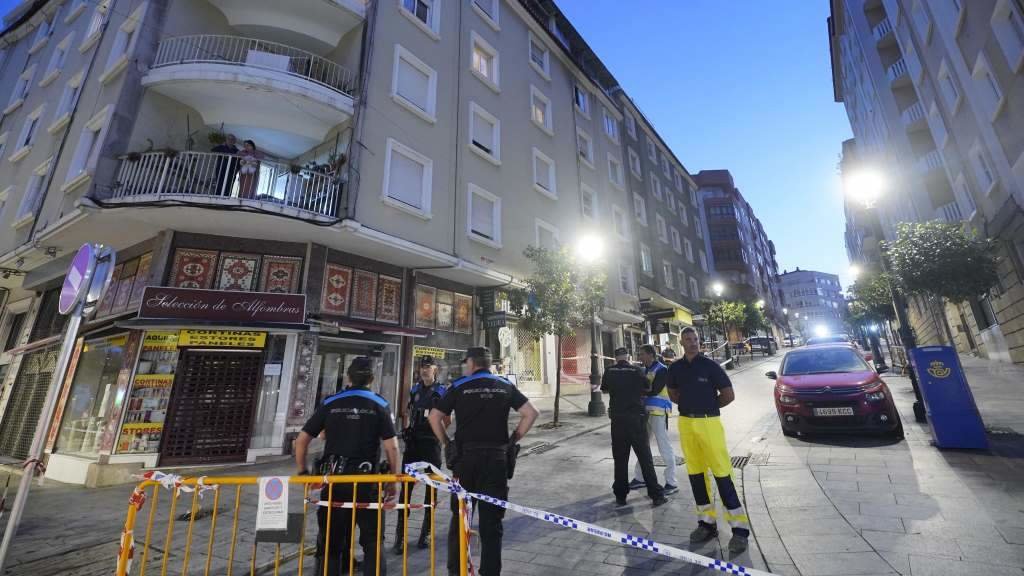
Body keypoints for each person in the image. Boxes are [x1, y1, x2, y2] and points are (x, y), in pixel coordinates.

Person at [428, 347, 539, 576]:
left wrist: (447, 443)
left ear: (471, 363)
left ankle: (456, 571)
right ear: (488, 364)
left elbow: (434, 416)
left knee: (460, 521)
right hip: (496, 461)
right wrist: (512, 440)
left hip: (465, 461)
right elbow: (531, 413)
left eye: (465, 362)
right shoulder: (505, 385)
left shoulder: (459, 385)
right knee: (492, 525)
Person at [294, 357, 401, 576]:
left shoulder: (331, 402)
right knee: (372, 542)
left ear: (348, 377)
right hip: (367, 484)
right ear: (372, 379)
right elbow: (392, 448)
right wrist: (392, 480)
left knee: (331, 542)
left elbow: (302, 440)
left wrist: (303, 472)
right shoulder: (379, 404)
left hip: (334, 483)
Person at [667, 327, 749, 554]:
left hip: (709, 423)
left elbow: (728, 395)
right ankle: (706, 523)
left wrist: (709, 407)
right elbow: (672, 392)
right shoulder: (675, 367)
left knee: (722, 474)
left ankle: (740, 531)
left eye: (695, 339)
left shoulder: (710, 366)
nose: (693, 343)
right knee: (695, 474)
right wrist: (689, 405)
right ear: (681, 343)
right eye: (688, 340)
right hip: (686, 423)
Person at [393, 356, 449, 554]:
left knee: (430, 491)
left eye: (428, 366)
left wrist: (435, 431)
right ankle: (399, 537)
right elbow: (408, 412)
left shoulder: (442, 391)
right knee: (405, 491)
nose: (424, 370)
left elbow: (447, 419)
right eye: (422, 367)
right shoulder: (415, 389)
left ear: (435, 369)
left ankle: (424, 534)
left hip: (431, 446)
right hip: (413, 445)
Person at [600, 347, 668, 508]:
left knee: (620, 459)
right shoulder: (637, 370)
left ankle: (621, 495)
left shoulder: (609, 371)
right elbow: (647, 389)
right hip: (636, 419)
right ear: (628, 357)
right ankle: (656, 495)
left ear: (616, 358)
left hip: (617, 420)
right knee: (645, 458)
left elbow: (604, 389)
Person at [628, 344, 679, 496]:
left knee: (664, 446)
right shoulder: (646, 370)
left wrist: (635, 390)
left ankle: (671, 482)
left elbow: (654, 390)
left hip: (658, 413)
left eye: (642, 354)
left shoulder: (662, 369)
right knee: (642, 446)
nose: (640, 357)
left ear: (651, 354)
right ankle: (640, 477)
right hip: (646, 412)